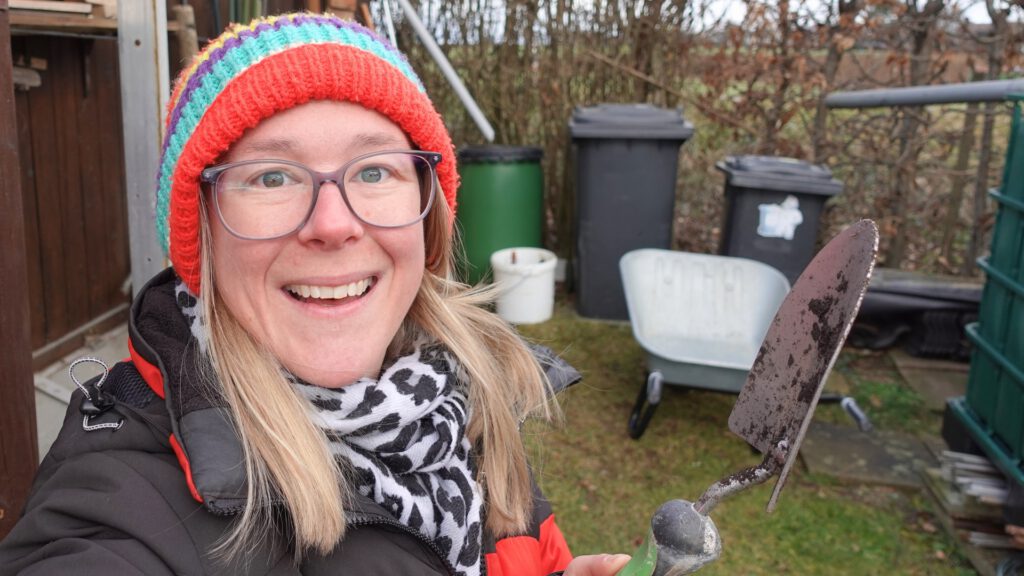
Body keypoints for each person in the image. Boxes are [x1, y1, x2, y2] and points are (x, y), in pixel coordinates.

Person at [0, 12, 630, 576]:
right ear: (204, 232)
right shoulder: (123, 508)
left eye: (375, 169)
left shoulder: (460, 395)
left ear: (426, 207)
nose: (333, 224)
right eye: (272, 176)